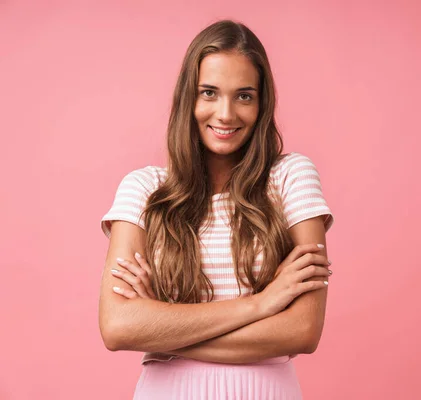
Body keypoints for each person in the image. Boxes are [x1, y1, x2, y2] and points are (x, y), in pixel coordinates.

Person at [98, 19, 335, 399]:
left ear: (262, 103)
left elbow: (303, 331)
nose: (225, 114)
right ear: (187, 98)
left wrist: (161, 329)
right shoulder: (143, 190)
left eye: (244, 96)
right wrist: (262, 304)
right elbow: (117, 327)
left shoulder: (291, 177)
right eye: (209, 92)